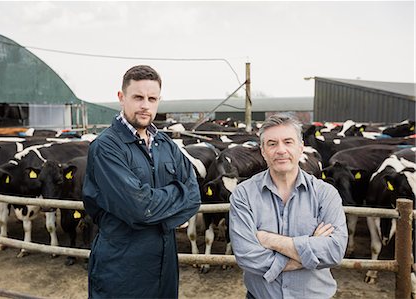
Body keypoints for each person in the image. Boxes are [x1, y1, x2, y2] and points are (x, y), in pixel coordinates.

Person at [82, 65, 201, 298]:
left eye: (152, 98)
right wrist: (177, 199)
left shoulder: (165, 143)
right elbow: (138, 208)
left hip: (165, 267)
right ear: (121, 97)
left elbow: (194, 195)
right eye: (138, 97)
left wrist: (157, 204)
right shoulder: (106, 147)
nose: (145, 105)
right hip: (122, 267)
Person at [229, 113, 348, 298]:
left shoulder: (326, 193)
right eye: (272, 144)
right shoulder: (243, 194)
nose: (281, 150)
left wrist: (269, 240)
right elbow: (246, 256)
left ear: (301, 148)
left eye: (288, 142)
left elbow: (335, 251)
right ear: (262, 151)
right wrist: (310, 250)